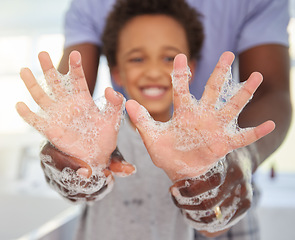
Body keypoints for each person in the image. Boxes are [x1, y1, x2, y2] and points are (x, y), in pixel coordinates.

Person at [15, 0, 291, 240]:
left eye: (170, 58)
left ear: (190, 69)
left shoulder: (193, 150)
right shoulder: (106, 140)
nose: (154, 71)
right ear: (116, 72)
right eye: (137, 59)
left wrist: (225, 170)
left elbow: (211, 227)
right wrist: (78, 161)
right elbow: (80, 179)